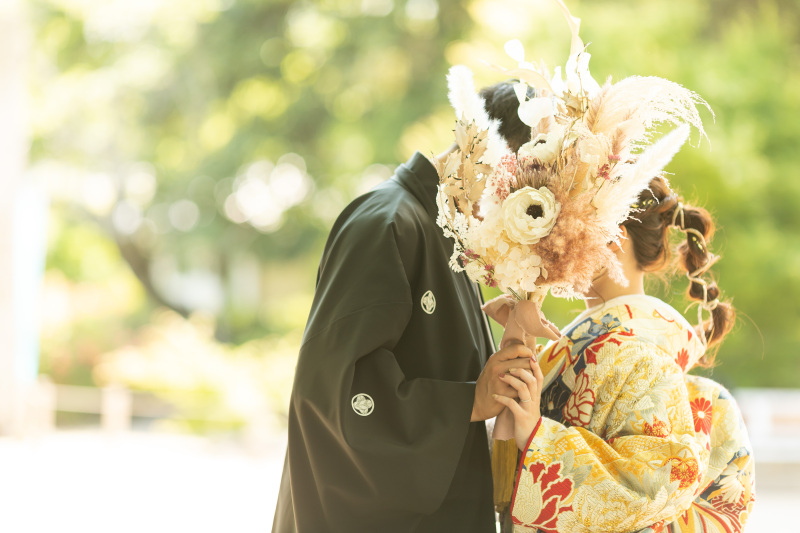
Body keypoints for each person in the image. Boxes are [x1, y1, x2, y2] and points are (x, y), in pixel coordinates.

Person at [271, 83, 537, 533]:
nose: (523, 208)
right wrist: (470, 399)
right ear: (489, 147)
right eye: (529, 186)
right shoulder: (387, 222)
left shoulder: (449, 238)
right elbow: (334, 396)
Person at [492, 177, 756, 532]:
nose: (553, 242)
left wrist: (539, 439)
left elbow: (649, 486)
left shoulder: (638, 353)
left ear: (616, 238)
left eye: (571, 227)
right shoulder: (590, 345)